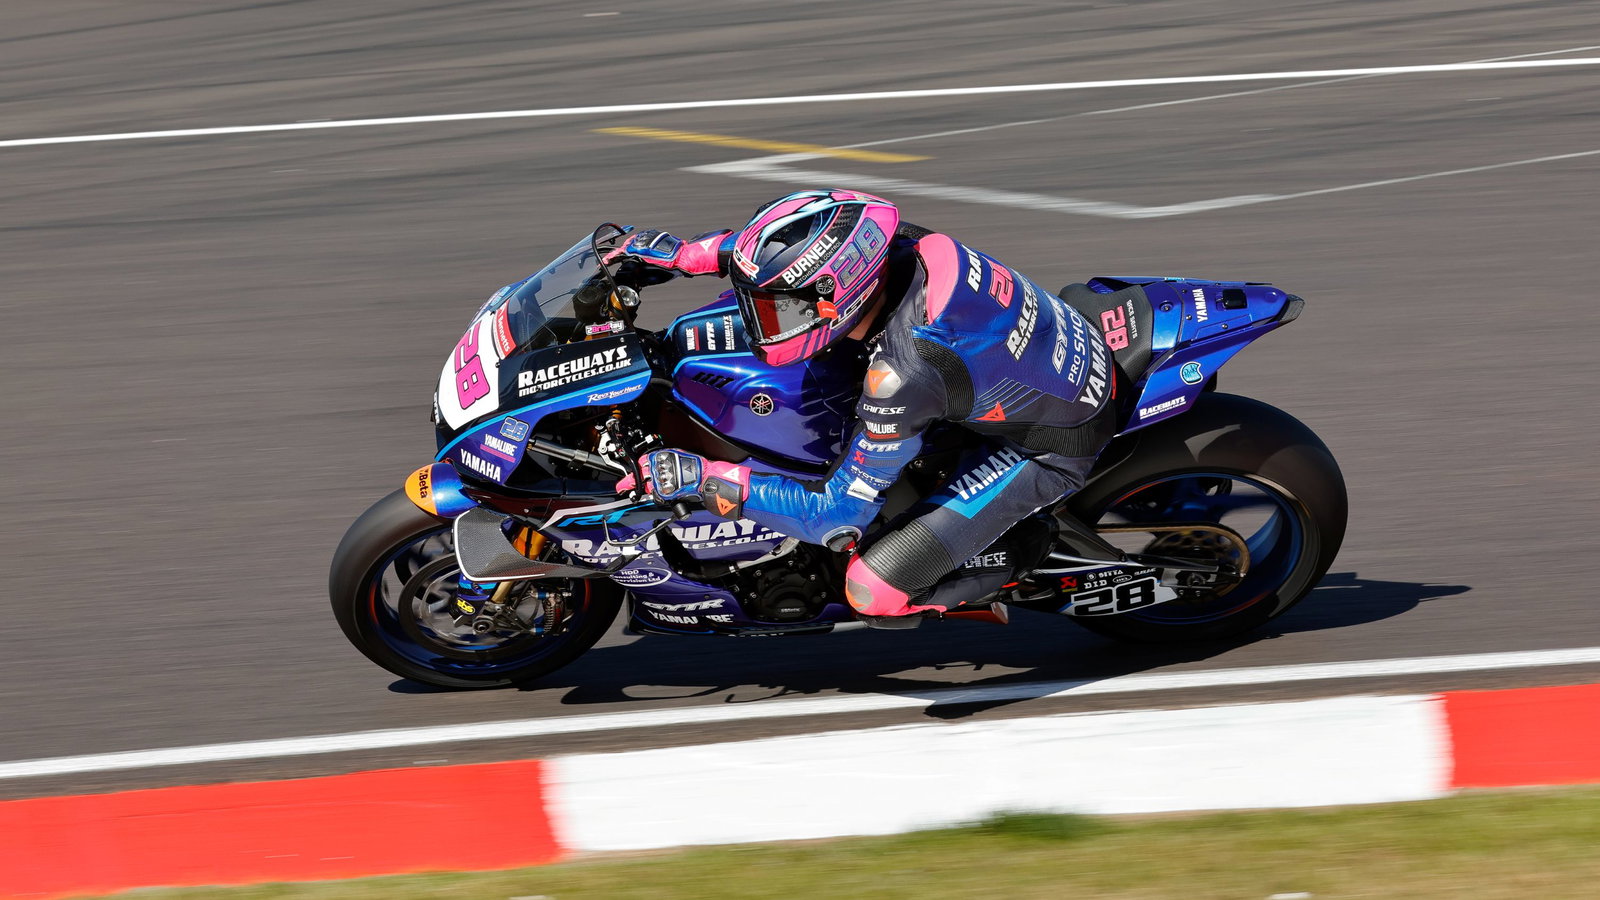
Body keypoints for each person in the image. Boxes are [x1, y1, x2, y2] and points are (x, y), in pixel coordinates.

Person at [611, 189, 1117, 627]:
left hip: (1049, 448)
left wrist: (700, 479)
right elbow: (761, 255)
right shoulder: (887, 247)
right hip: (1026, 361)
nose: (762, 320)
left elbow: (835, 515)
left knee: (872, 592)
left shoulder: (902, 374)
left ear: (837, 295)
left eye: (778, 307)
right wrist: (680, 256)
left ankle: (1022, 550)